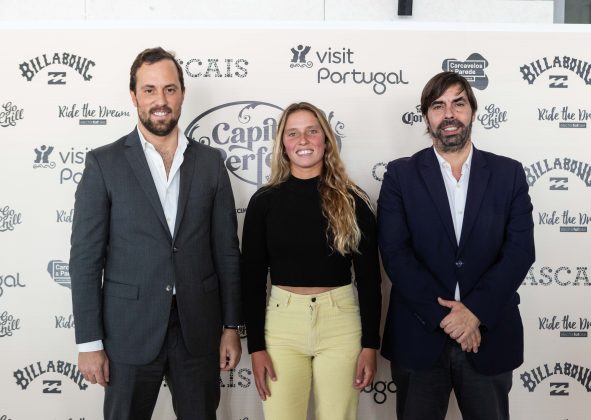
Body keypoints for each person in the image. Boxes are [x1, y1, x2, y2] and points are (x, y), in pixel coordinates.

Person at [69, 47, 242, 420]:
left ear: (181, 93)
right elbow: (85, 259)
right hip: (128, 331)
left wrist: (230, 326)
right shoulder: (104, 163)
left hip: (197, 328)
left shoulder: (211, 163)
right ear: (133, 95)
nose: (160, 100)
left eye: (169, 89)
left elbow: (226, 252)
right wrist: (89, 342)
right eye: (149, 90)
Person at [377, 71, 535, 420]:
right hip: (419, 335)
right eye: (438, 105)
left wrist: (474, 312)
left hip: (489, 334)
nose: (449, 113)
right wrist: (449, 318)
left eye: (458, 103)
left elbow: (520, 251)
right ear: (426, 117)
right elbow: (395, 253)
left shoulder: (508, 174)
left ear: (472, 111)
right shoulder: (400, 176)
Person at [241, 102, 382, 420]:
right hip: (282, 326)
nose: (303, 140)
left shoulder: (353, 201)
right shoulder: (264, 203)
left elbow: (371, 280)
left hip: (341, 324)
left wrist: (370, 345)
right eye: (293, 133)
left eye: (311, 131)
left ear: (326, 139)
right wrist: (256, 347)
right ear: (283, 144)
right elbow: (251, 281)